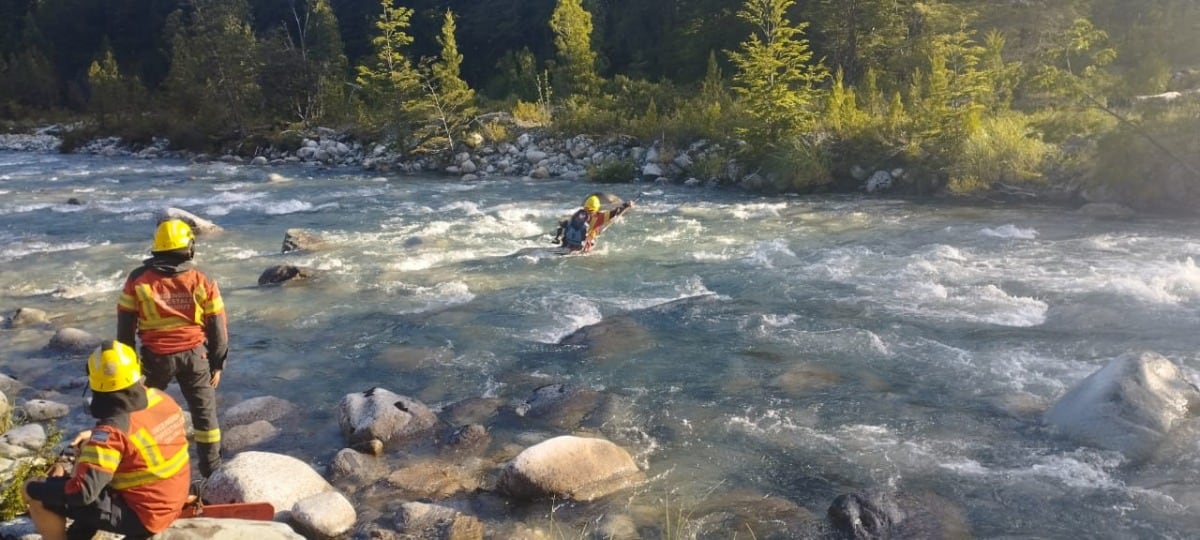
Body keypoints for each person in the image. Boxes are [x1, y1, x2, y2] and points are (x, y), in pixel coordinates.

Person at [22, 341, 191, 540]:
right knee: (92, 466)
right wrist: (94, 438)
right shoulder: (162, 399)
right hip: (173, 498)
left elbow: (82, 493)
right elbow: (138, 434)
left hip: (144, 516)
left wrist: (32, 486)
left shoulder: (111, 431)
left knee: (40, 496)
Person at [117, 218, 226, 478]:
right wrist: (217, 363)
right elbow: (218, 329)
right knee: (205, 420)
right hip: (196, 357)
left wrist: (129, 367)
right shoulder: (202, 279)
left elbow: (124, 329)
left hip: (154, 358)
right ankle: (212, 476)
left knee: (139, 412)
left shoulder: (137, 279)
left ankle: (137, 467)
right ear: (189, 247)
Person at [553, 194, 634, 253]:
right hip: (582, 249)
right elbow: (616, 212)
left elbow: (563, 225)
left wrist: (557, 238)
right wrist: (627, 204)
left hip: (567, 244)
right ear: (596, 208)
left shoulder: (577, 214)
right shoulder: (598, 217)